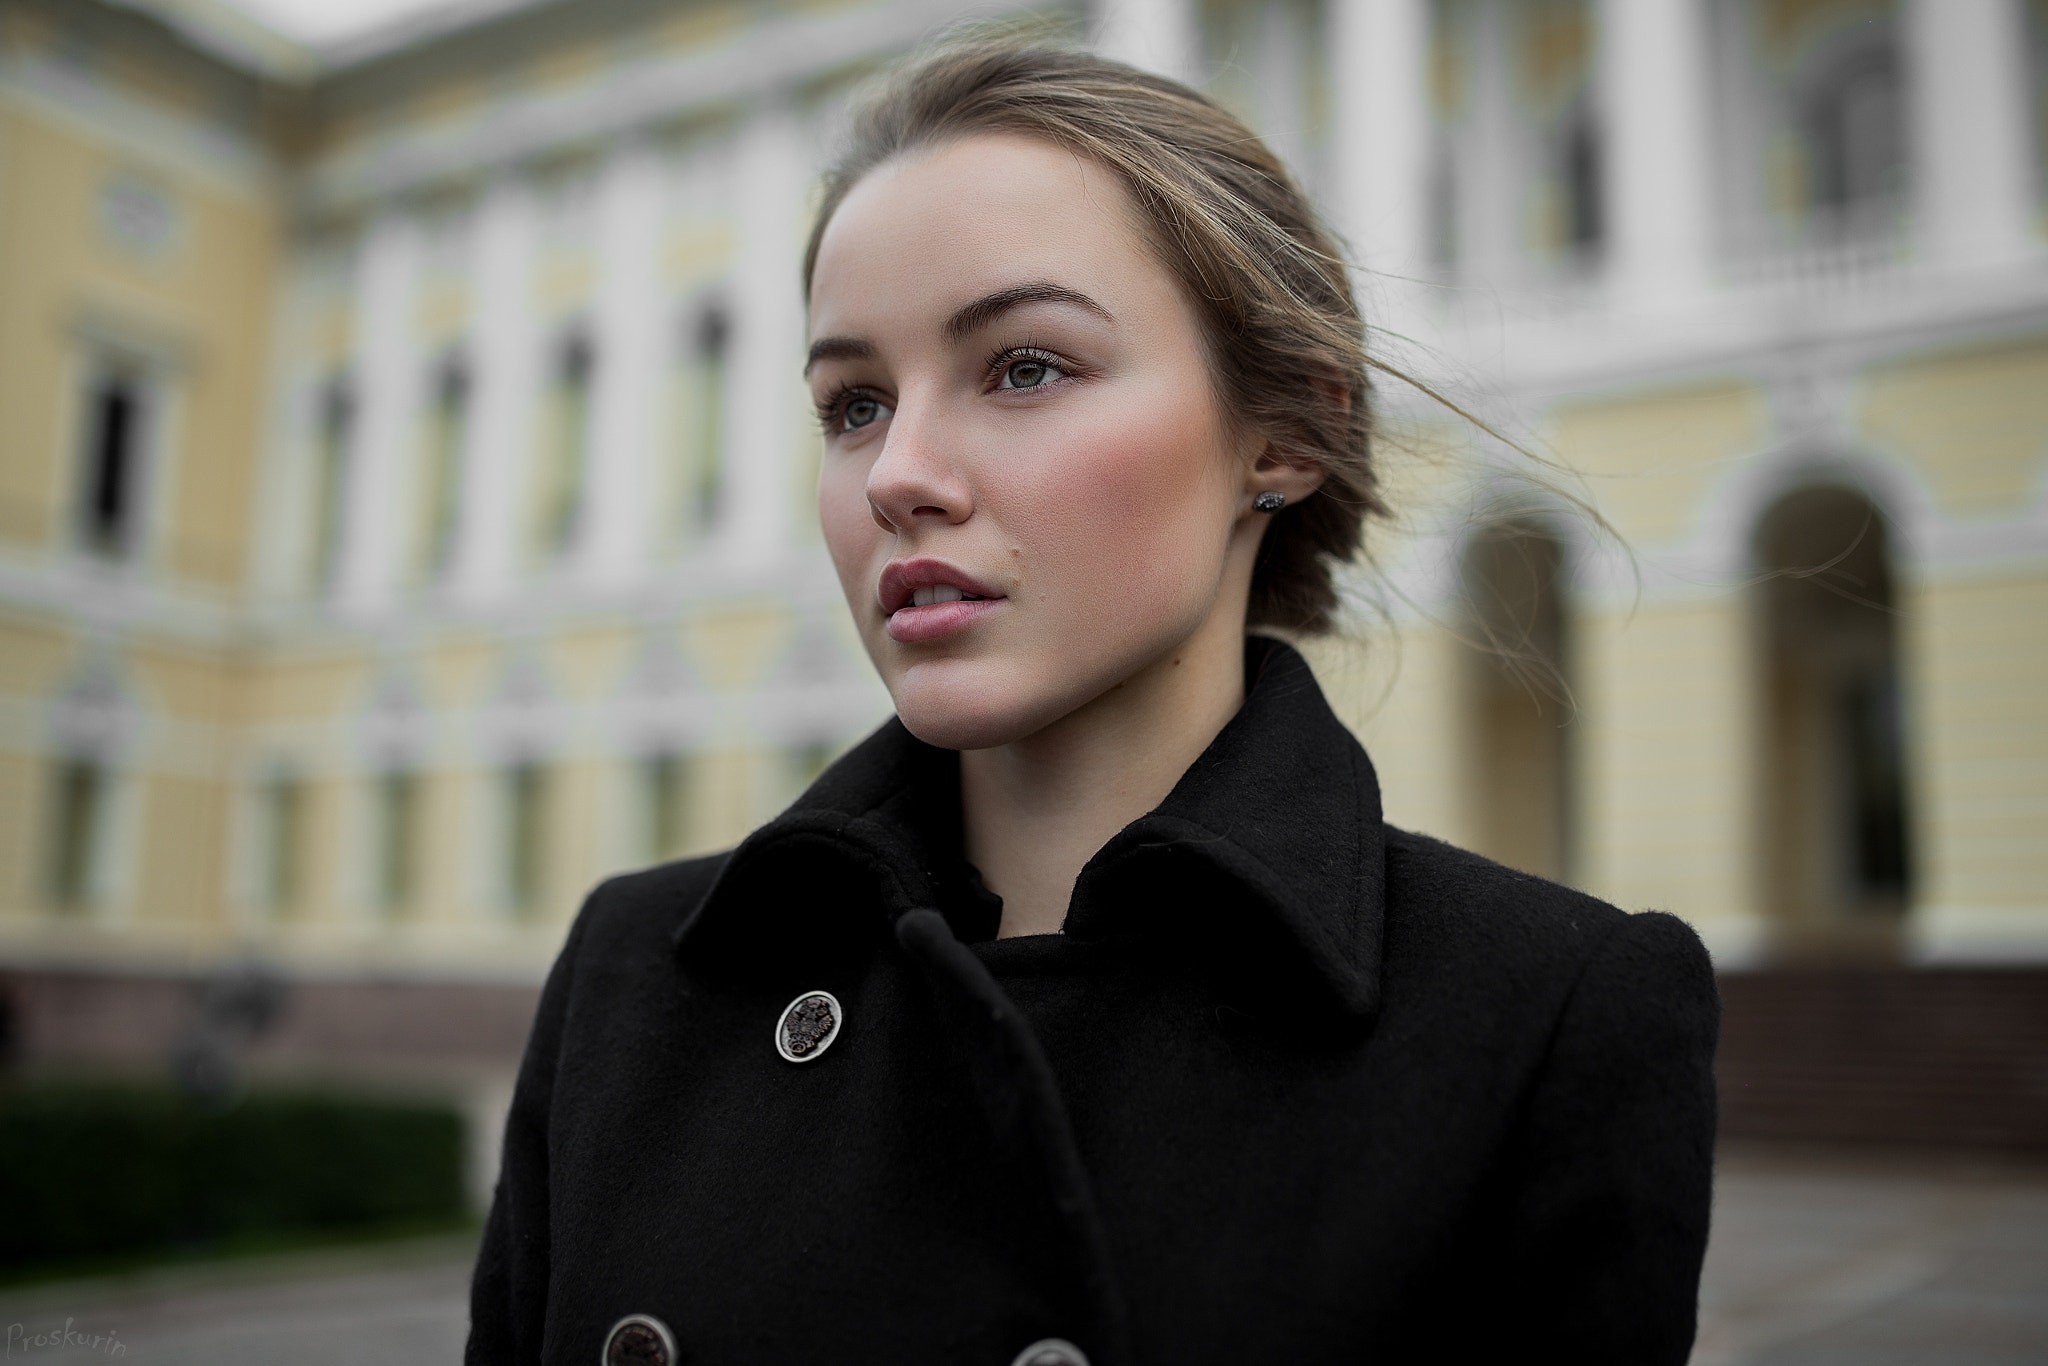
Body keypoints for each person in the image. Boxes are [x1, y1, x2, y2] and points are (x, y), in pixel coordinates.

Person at [466, 35, 1720, 1366]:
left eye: (1024, 366)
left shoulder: (1549, 1015)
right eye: (853, 402)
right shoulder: (636, 974)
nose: (899, 471)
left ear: (1283, 434)